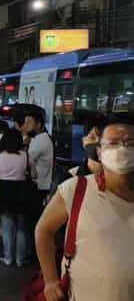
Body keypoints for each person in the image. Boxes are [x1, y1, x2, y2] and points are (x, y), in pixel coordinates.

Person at [35, 121, 134, 301]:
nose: (122, 148)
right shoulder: (76, 188)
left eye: (130, 143)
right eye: (113, 143)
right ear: (99, 151)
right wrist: (50, 280)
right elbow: (44, 229)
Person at [0, 129, 31, 267]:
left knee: (7, 227)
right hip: (21, 192)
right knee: (22, 228)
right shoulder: (25, 155)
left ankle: (8, 258)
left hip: (4, 192)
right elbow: (35, 174)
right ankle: (20, 259)